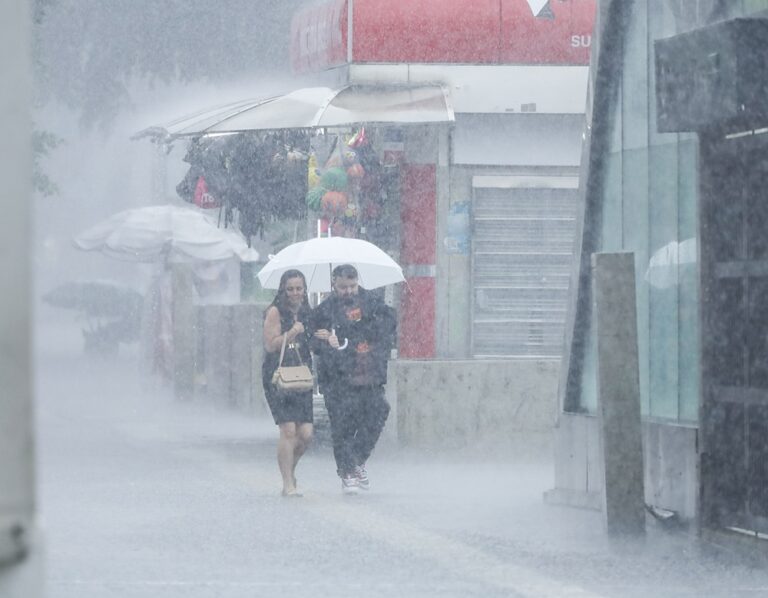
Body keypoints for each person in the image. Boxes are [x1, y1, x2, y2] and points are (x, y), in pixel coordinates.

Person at [311, 264, 397, 495]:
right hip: (337, 380)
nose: (348, 291)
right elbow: (314, 342)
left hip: (370, 376)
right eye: (342, 287)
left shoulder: (373, 303)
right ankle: (347, 473)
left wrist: (354, 336)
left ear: (358, 282)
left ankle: (357, 460)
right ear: (333, 284)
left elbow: (388, 325)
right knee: (342, 426)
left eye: (352, 286)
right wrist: (327, 342)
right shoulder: (323, 311)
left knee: (378, 413)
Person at [262, 269, 314, 497]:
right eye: (290, 289)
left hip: (301, 374)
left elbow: (312, 340)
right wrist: (292, 332)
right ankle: (287, 484)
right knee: (288, 429)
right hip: (279, 374)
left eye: (299, 288)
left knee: (306, 433)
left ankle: (290, 470)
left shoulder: (306, 312)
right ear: (283, 290)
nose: (295, 293)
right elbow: (270, 345)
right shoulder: (275, 312)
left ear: (304, 290)